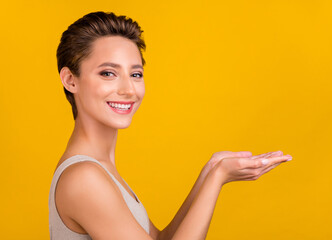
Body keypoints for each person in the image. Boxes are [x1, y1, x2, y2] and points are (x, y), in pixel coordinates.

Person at [48, 11, 293, 240]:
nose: (128, 90)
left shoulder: (100, 169)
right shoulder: (84, 178)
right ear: (71, 80)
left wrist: (210, 170)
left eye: (135, 74)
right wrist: (217, 178)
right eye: (108, 73)